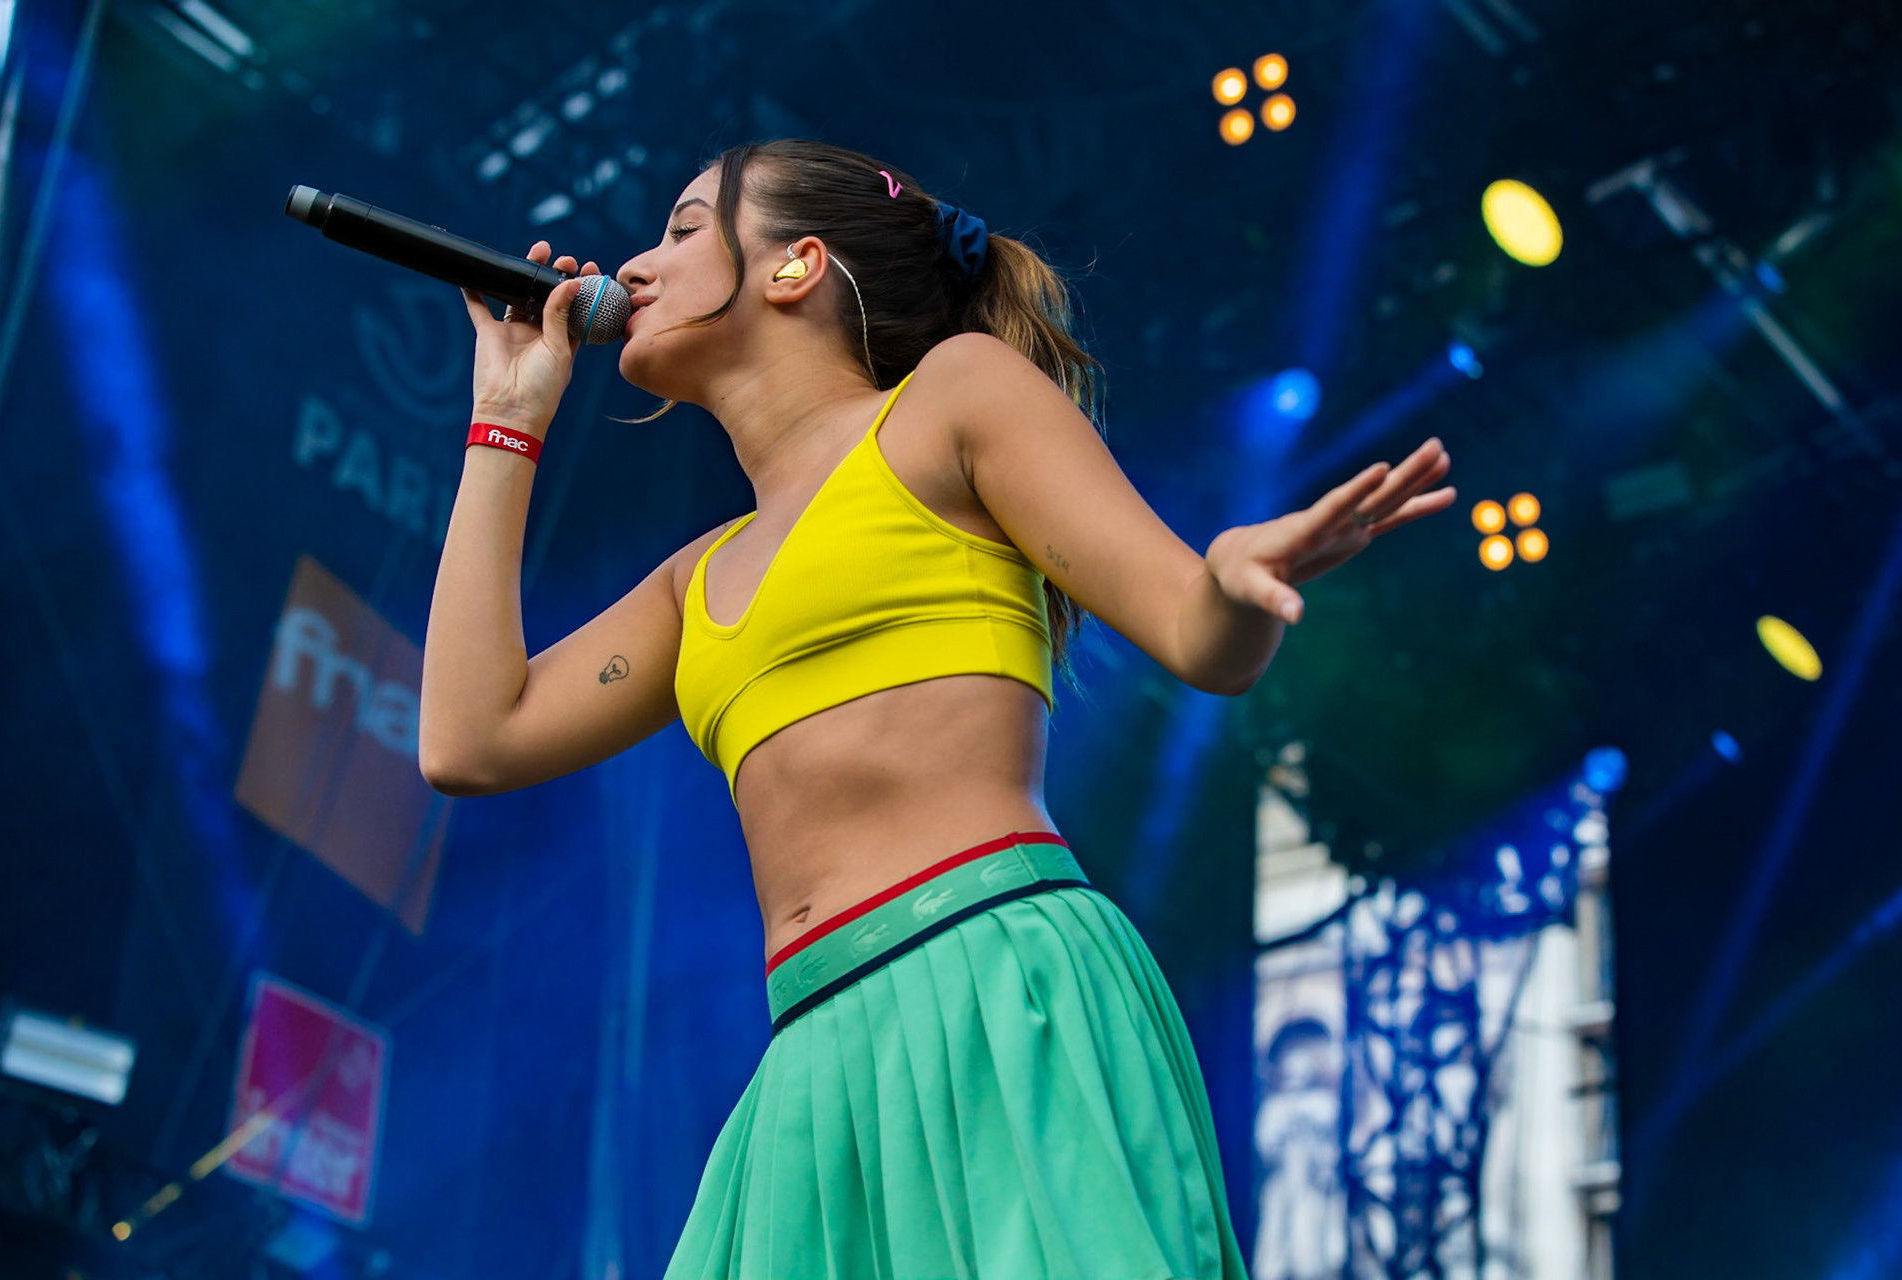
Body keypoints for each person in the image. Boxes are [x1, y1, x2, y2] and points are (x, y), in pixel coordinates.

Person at [419, 138, 1453, 1280]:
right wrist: (507, 414)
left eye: (679, 228)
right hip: (811, 1054)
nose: (637, 264)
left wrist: (1235, 581)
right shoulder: (691, 581)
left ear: (796, 266)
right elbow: (469, 738)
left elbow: (1197, 632)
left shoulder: (950, 400)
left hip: (992, 979)